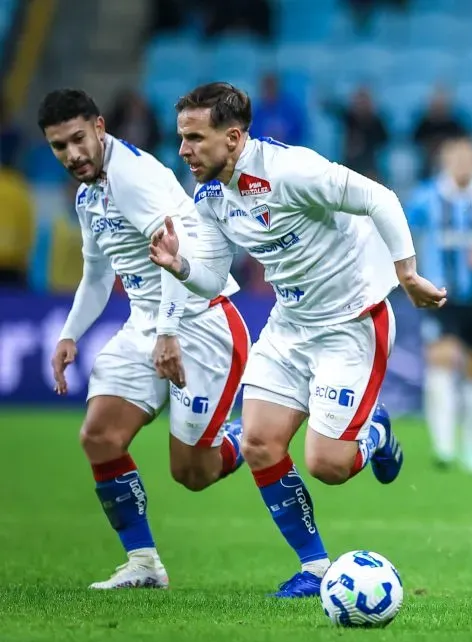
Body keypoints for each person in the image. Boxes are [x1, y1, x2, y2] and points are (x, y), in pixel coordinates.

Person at [147, 82, 446, 597]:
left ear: (234, 138)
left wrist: (408, 271)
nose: (183, 150)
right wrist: (182, 266)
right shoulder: (213, 195)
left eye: (195, 138)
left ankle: (373, 432)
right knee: (261, 444)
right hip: (290, 326)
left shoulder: (292, 171)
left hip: (351, 323)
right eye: (181, 138)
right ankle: (313, 568)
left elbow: (379, 197)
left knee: (328, 465)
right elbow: (216, 273)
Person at [37, 88, 250, 590]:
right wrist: (70, 335)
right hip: (146, 323)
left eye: (78, 139)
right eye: (58, 146)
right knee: (99, 436)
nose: (72, 154)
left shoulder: (131, 177)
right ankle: (144, 563)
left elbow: (173, 256)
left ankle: (250, 434)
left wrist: (169, 332)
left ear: (100, 127)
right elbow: (95, 273)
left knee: (193, 474)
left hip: (199, 320)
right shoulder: (90, 192)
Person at [407, 135, 472, 474]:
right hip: (441, 295)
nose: (462, 165)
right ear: (445, 162)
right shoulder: (427, 196)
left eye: (468, 159)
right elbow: (405, 230)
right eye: (455, 159)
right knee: (441, 359)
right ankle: (443, 445)